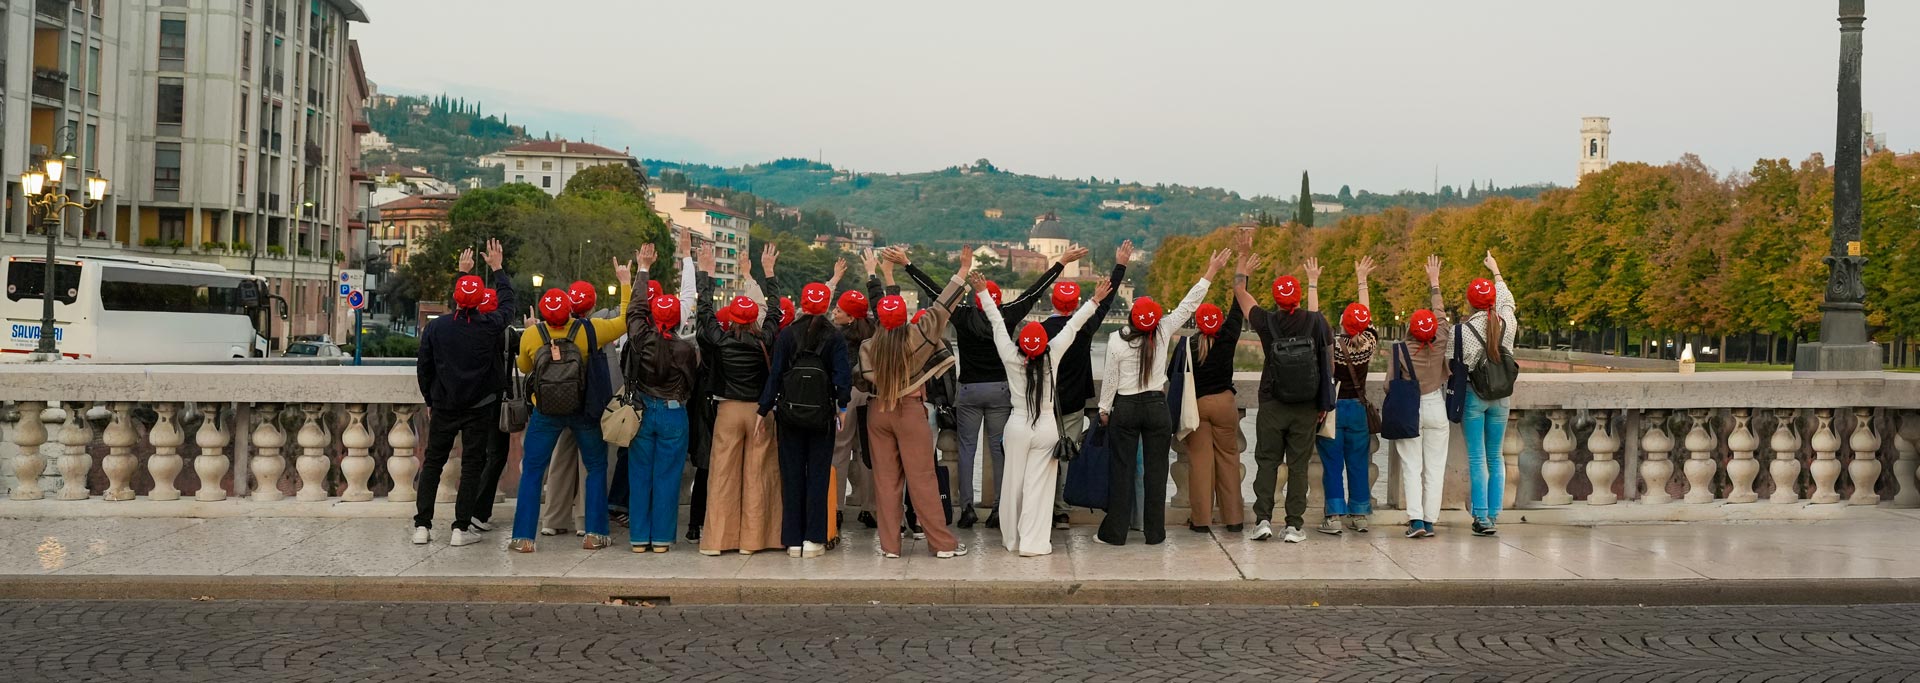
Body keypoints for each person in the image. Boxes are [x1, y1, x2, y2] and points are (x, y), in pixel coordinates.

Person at [898, 246, 1083, 529]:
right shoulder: (1006, 315)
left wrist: (907, 264)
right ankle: (998, 509)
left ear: (977, 296)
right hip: (999, 390)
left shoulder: (962, 315)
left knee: (966, 450)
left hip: (969, 390)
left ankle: (967, 508)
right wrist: (1060, 263)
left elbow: (938, 293)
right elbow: (1033, 293)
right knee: (999, 451)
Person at [1097, 248, 1230, 546]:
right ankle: (1155, 533)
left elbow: (1111, 380)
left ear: (1131, 316)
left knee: (1122, 471)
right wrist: (1211, 271)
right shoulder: (1162, 330)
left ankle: (1115, 532)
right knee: (1156, 474)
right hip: (1157, 407)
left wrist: (1105, 409)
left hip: (1127, 407)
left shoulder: (1117, 340)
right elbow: (1188, 305)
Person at [979, 271, 1108, 556]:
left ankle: (1011, 538)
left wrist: (983, 294)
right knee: (1040, 487)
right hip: (1047, 425)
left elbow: (998, 325)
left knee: (1013, 483)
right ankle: (1034, 542)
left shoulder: (1011, 357)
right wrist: (1096, 300)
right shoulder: (1053, 353)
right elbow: (1073, 326)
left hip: (1017, 424)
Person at [508, 261, 631, 552]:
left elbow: (525, 367)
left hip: (546, 412)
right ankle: (595, 533)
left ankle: (523, 537)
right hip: (583, 410)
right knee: (597, 466)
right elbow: (627, 319)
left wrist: (532, 333)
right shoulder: (592, 330)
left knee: (534, 471)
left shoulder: (532, 335)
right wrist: (625, 282)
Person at [861, 246, 973, 559]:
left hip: (877, 412)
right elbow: (941, 307)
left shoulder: (871, 344)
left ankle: (890, 546)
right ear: (907, 318)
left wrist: (880, 275)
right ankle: (941, 543)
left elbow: (861, 376)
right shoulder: (919, 336)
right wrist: (962, 270)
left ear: (880, 319)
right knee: (922, 478)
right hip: (910, 409)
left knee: (886, 481)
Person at [1232, 228, 1334, 544]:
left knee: (1267, 463)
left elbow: (1239, 292)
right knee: (1299, 467)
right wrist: (1323, 404)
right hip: (1306, 405)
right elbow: (1327, 364)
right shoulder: (1316, 322)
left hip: (1273, 402)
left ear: (1276, 300)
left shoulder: (1266, 321)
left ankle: (1263, 520)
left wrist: (1243, 257)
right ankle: (1294, 526)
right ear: (1299, 297)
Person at [412, 240, 515, 547]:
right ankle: (460, 528)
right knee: (473, 465)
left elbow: (424, 370)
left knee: (432, 464)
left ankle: (422, 526)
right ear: (481, 300)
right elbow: (508, 304)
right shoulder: (490, 326)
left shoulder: (437, 329)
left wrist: (431, 400)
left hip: (444, 405)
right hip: (480, 407)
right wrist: (497, 268)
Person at [694, 243, 786, 556]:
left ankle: (718, 541)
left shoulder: (719, 340)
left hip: (728, 409)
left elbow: (704, 312)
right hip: (761, 411)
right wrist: (769, 273)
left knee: (722, 475)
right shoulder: (767, 338)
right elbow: (776, 310)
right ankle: (755, 540)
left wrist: (707, 271)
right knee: (759, 475)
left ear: (732, 318)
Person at [760, 280, 854, 558]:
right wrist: (843, 409)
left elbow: (775, 376)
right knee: (818, 476)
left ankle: (792, 539)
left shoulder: (787, 335)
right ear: (826, 306)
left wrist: (763, 409)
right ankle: (814, 538)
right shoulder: (835, 337)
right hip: (822, 415)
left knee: (791, 476)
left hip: (789, 415)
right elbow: (843, 378)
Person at [1041, 241, 1132, 529]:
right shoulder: (1084, 328)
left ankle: (1041, 506)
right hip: (1074, 402)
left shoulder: (1041, 331)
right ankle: (1062, 509)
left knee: (1043, 455)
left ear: (1053, 302)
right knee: (1066, 455)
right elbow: (1104, 303)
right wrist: (1120, 266)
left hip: (1046, 403)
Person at [624, 238, 701, 552]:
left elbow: (635, 308)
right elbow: (691, 383)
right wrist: (687, 259)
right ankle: (662, 540)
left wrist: (643, 270)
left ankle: (639, 538)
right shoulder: (685, 348)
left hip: (642, 408)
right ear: (679, 319)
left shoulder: (640, 338)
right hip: (673, 411)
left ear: (652, 317)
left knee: (640, 475)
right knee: (668, 477)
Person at [538, 280, 619, 537]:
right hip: (588, 406)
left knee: (560, 461)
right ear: (593, 303)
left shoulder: (551, 329)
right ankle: (584, 519)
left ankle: (552, 517)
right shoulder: (596, 328)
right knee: (590, 463)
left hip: (559, 403)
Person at [1310, 255, 1380, 535]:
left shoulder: (1332, 347)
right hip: (1359, 409)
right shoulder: (1370, 343)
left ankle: (1334, 516)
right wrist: (1362, 278)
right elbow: (1367, 314)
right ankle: (1360, 515)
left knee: (1332, 463)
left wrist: (1313, 284)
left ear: (1341, 322)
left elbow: (1314, 320)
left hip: (1334, 409)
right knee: (1358, 462)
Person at [1392, 255, 1454, 539]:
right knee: (1435, 467)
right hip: (1435, 407)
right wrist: (1434, 282)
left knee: (1412, 466)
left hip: (1410, 409)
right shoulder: (1440, 339)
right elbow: (1440, 316)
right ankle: (1430, 520)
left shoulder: (1401, 349)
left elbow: (1388, 385)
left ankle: (1415, 520)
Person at [1182, 294, 1247, 535]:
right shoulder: (1228, 337)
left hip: (1197, 405)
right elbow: (1237, 309)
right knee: (1229, 459)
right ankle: (1234, 519)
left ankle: (1201, 520)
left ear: (1197, 324)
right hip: (1224, 403)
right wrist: (1242, 271)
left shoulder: (1188, 346)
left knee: (1200, 463)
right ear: (1219, 322)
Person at [1462, 251, 1515, 536]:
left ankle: (1480, 516)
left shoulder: (1465, 330)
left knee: (1477, 458)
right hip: (1502, 397)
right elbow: (1508, 300)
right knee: (1496, 456)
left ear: (1471, 303)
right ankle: (1494, 514)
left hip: (1475, 396)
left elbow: (1457, 363)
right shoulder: (1508, 320)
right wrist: (1495, 269)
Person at [834, 252, 882, 530]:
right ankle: (869, 508)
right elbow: (880, 306)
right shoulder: (875, 331)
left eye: (839, 310)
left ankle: (837, 507)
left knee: (840, 451)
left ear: (850, 316)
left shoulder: (836, 336)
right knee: (867, 453)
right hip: (871, 394)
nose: (835, 313)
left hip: (845, 397)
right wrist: (872, 274)